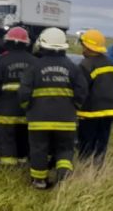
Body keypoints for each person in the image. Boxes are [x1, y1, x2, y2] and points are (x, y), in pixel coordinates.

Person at [18, 28, 87, 189]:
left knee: (39, 148)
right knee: (65, 149)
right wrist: (74, 106)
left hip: (38, 120)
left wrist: (27, 108)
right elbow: (82, 91)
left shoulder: (34, 67)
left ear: (42, 45)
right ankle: (63, 177)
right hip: (66, 120)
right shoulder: (73, 68)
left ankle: (39, 181)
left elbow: (23, 92)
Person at [0, 27, 36, 165]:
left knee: (7, 140)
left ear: (7, 42)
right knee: (24, 138)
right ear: (26, 43)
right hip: (27, 110)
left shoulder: (1, 61)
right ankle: (22, 162)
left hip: (6, 110)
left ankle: (8, 167)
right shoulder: (34, 61)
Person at [77, 30, 113, 167]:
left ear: (88, 47)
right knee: (101, 145)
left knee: (86, 146)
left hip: (90, 113)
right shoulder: (110, 63)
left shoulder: (86, 64)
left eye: (83, 45)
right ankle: (97, 171)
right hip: (109, 112)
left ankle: (84, 172)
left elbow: (81, 90)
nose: (82, 47)